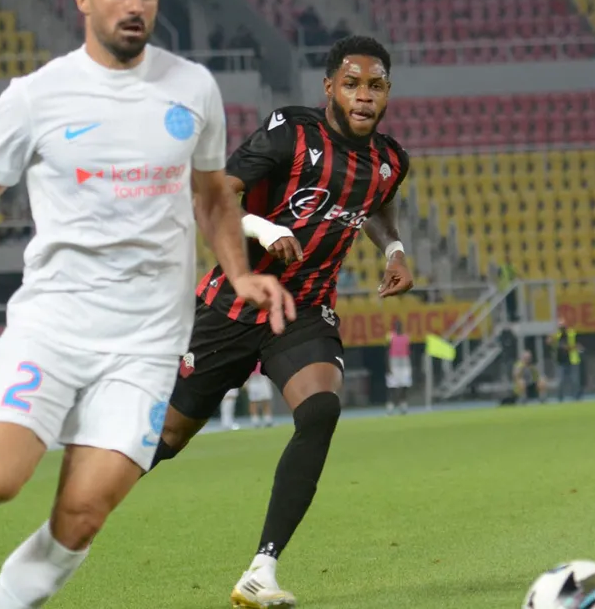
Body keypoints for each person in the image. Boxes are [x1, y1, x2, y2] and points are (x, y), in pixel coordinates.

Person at [0, 0, 291, 609]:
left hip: (147, 343)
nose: (136, 5)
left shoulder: (193, 87)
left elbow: (211, 194)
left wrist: (238, 273)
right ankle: (5, 422)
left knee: (82, 514)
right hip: (54, 327)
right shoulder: (35, 97)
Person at [150, 34, 413, 608]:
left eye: (375, 85)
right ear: (330, 87)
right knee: (166, 437)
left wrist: (393, 249)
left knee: (320, 409)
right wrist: (265, 228)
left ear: (388, 92)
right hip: (234, 302)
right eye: (352, 84)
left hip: (304, 311)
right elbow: (218, 194)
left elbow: (377, 203)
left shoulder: (391, 161)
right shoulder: (291, 133)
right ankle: (83, 492)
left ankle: (261, 571)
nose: (364, 95)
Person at [548, 318, 581, 401]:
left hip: (572, 360)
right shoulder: (557, 334)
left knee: (574, 380)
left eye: (562, 326)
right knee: (560, 381)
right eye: (560, 326)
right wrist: (551, 336)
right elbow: (549, 342)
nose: (561, 328)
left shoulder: (571, 333)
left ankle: (576, 397)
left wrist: (567, 347)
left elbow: (577, 346)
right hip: (560, 361)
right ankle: (560, 398)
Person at [386, 319, 412, 415]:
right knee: (392, 387)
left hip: (405, 363)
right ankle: (391, 406)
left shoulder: (406, 337)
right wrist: (388, 366)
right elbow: (387, 352)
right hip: (394, 364)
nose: (398, 328)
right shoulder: (390, 337)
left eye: (399, 326)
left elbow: (410, 352)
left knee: (405, 386)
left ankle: (403, 405)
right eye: (396, 326)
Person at [245, 361, 274, 428]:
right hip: (252, 379)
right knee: (253, 401)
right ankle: (255, 420)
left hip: (263, 377)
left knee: (266, 400)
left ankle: (268, 419)